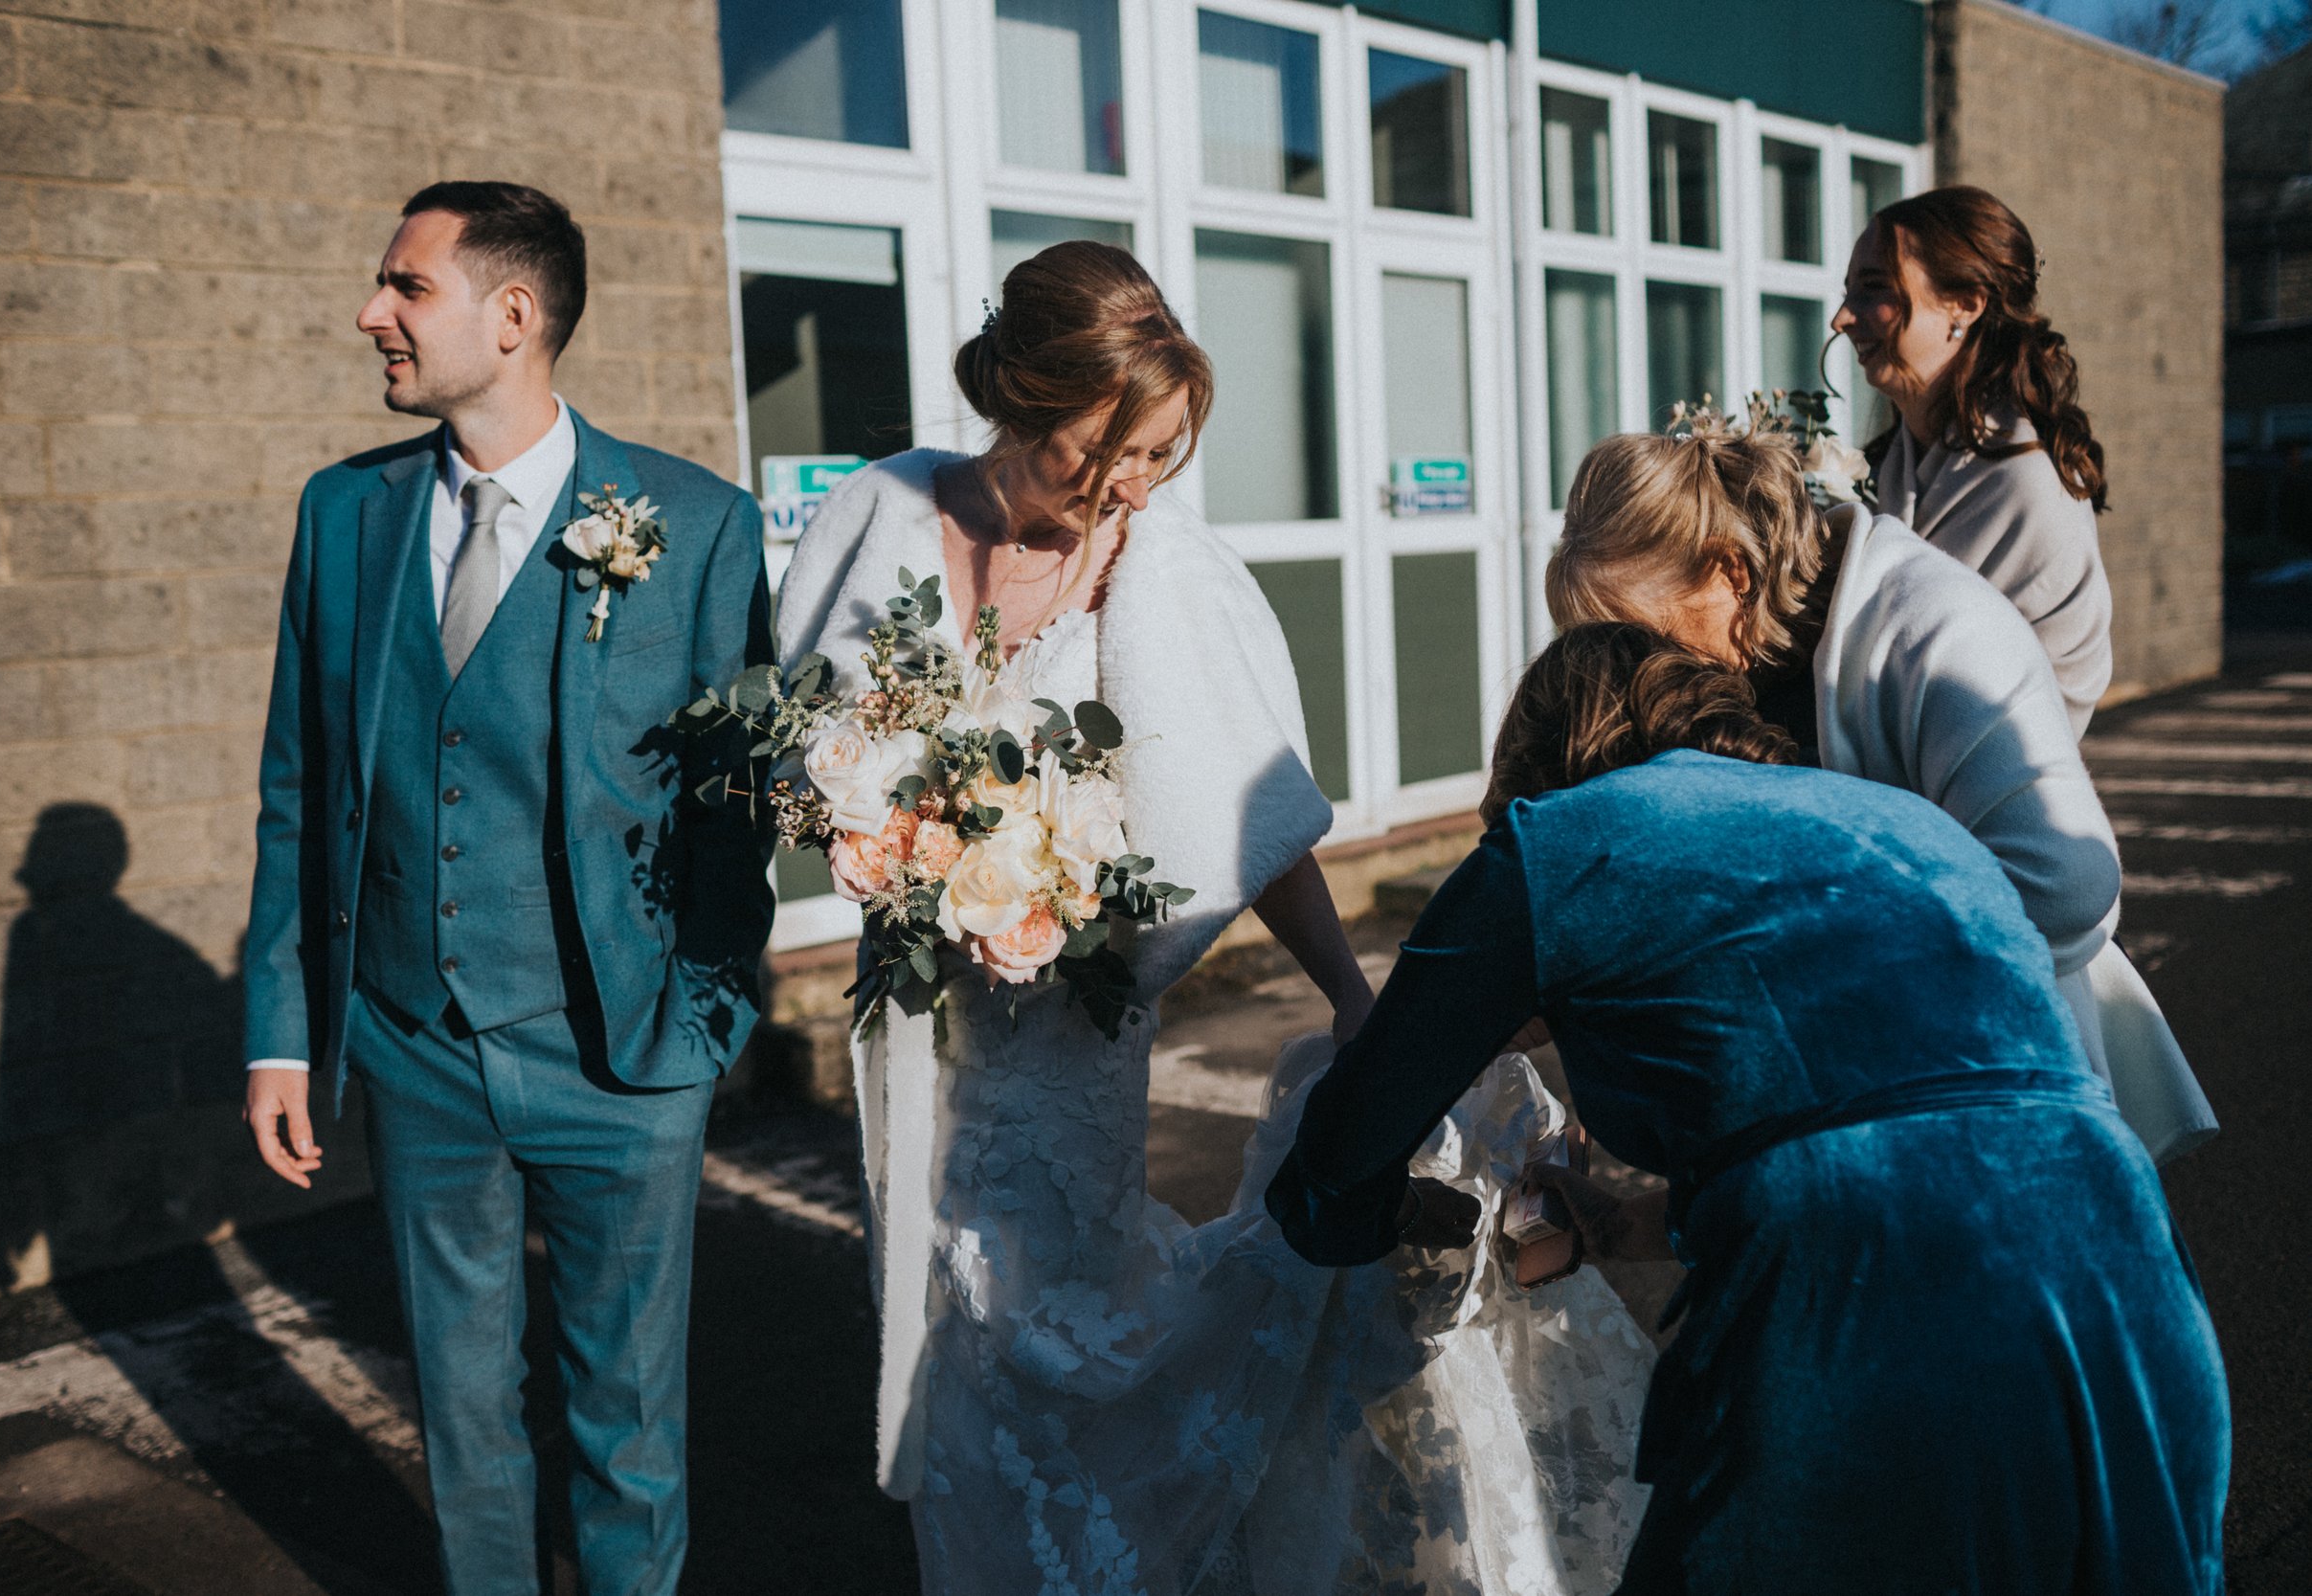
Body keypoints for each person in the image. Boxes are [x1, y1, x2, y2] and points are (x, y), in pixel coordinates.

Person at [775, 241, 1652, 1595]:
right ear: (1022, 395)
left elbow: (1260, 814)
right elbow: (804, 745)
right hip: (912, 1028)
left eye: (1161, 457)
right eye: (1100, 451)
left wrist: (1366, 1009)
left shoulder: (1159, 571)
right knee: (942, 1335)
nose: (1127, 486)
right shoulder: (884, 518)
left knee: (1061, 1337)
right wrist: (874, 827)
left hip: (1064, 1051)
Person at [1268, 623, 2231, 1595]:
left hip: (1864, 1287)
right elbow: (1903, 1115)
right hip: (2123, 1257)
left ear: (1541, 757)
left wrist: (1403, 1213)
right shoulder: (1899, 819)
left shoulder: (1549, 842)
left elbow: (1334, 1162)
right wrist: (1613, 1222)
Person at [239, 182, 774, 1595]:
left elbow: (740, 809)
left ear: (514, 316)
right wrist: (285, 1026)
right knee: (466, 1418)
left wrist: (703, 1029)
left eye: (404, 288)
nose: (372, 314)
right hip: (416, 1047)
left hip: (626, 1057)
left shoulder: (698, 524)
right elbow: (301, 783)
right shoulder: (344, 512)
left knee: (628, 1427)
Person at [1544, 425, 2216, 1163]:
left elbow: (2066, 887)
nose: (1636, 675)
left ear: (1730, 572)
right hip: (1864, 1102)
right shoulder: (1744, 655)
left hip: (1995, 1093)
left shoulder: (1937, 628)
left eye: (1645, 640)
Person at [1834, 185, 2113, 734]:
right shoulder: (1892, 463)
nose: (1842, 318)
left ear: (1965, 304)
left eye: (1874, 290)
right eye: (1848, 292)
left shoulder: (2026, 483)